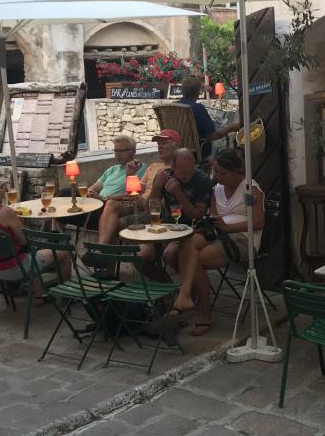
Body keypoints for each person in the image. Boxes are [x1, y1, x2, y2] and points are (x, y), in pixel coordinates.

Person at [171, 149, 265, 336]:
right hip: (219, 232)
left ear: (236, 170)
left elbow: (258, 222)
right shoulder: (217, 189)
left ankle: (203, 312)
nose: (218, 177)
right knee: (183, 245)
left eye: (223, 173)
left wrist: (227, 228)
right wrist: (204, 225)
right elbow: (213, 215)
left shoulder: (249, 188)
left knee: (196, 259)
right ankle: (188, 294)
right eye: (215, 172)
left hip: (242, 238)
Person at [0, 170, 71, 303]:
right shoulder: (5, 212)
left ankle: (39, 295)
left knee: (29, 253)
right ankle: (68, 296)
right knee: (63, 253)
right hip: (15, 269)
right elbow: (25, 241)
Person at [87, 135, 148, 245]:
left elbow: (133, 194)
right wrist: (92, 193)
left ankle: (101, 248)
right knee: (66, 193)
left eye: (122, 151)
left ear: (133, 151)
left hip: (114, 207)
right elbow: (93, 188)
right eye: (116, 151)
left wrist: (103, 198)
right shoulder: (112, 169)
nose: (118, 154)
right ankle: (56, 236)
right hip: (97, 204)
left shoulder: (141, 168)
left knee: (109, 204)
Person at [176, 76, 240, 162]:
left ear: (182, 90)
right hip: (198, 154)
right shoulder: (197, 108)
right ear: (198, 91)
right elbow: (213, 135)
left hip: (177, 153)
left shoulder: (174, 107)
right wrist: (232, 127)